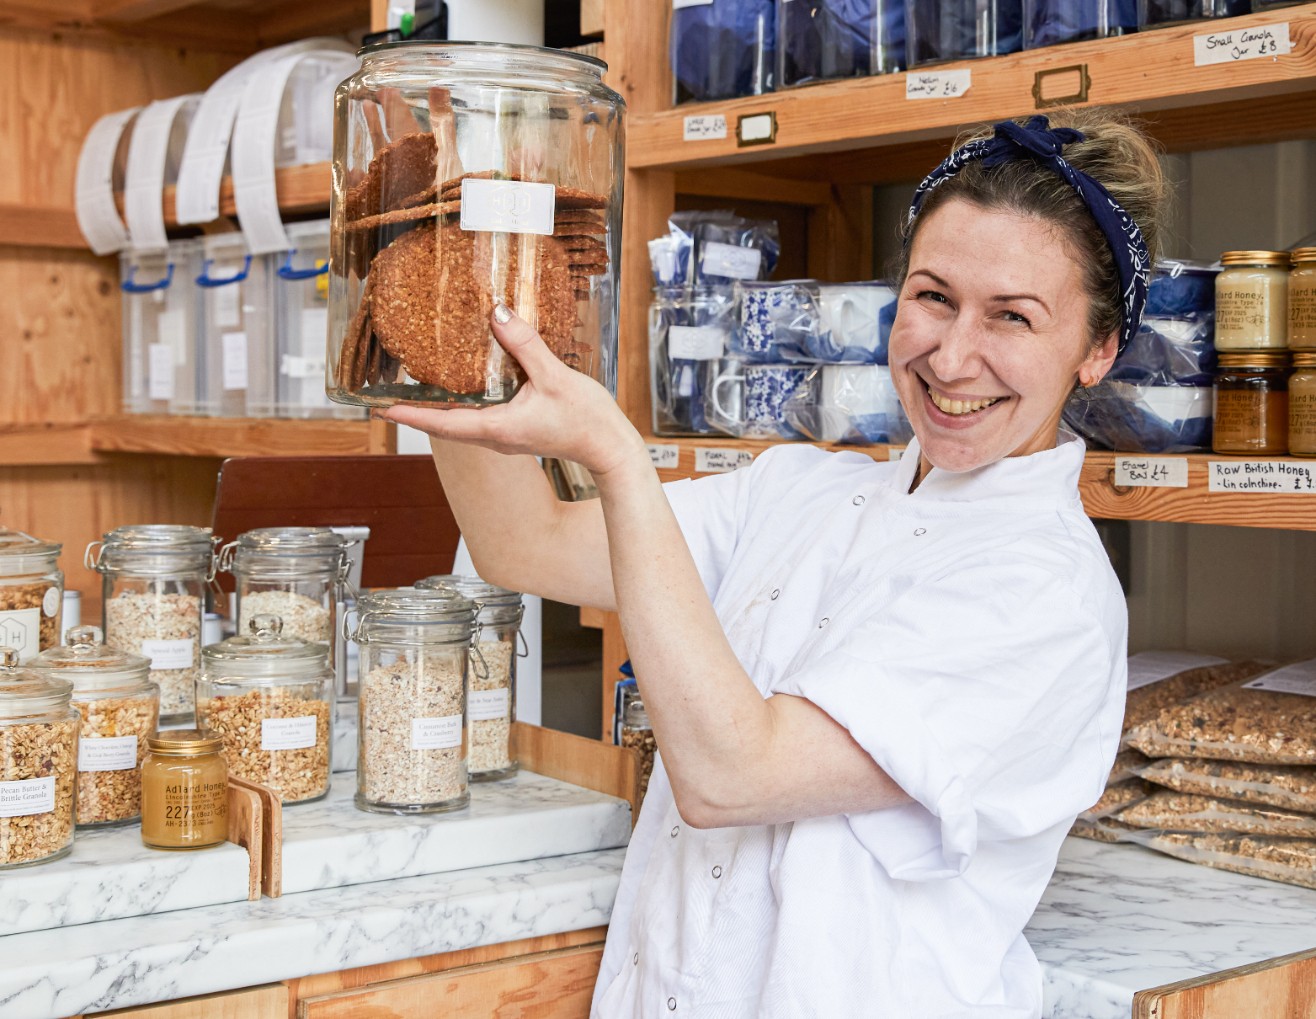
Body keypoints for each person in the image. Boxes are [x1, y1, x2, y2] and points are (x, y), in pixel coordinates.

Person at [386, 110, 1167, 1017]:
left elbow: (732, 774)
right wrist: (444, 293)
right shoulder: (799, 491)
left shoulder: (1046, 594)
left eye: (1013, 317)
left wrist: (620, 459)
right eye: (933, 296)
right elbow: (524, 543)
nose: (954, 355)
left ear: (1098, 350)